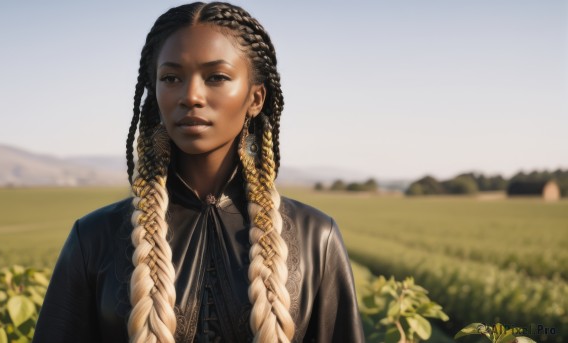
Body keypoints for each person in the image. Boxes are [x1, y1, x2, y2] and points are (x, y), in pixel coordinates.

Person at [33, 2, 365, 342]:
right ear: (155, 93)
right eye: (171, 78)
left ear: (256, 98)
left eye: (216, 77)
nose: (191, 96)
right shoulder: (93, 238)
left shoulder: (315, 238)